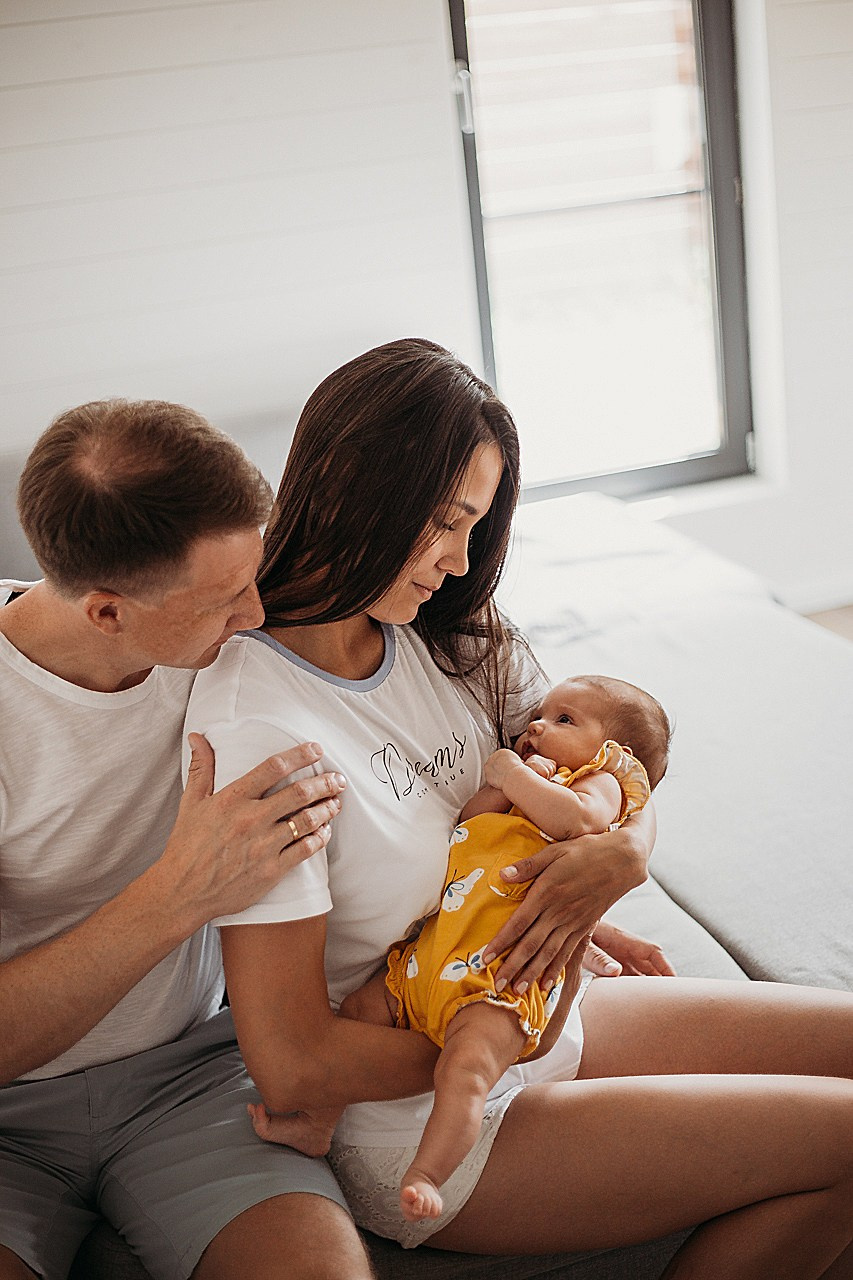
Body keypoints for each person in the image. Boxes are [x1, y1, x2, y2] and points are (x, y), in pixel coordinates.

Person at [186, 339, 853, 1276]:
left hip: (535, 1016)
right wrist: (483, 1050)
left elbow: (614, 762)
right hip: (424, 1116)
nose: (458, 561)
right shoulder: (259, 724)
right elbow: (293, 1062)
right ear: (346, 484)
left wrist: (622, 856)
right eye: (443, 522)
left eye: (477, 526)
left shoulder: (445, 632)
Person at [0, 399, 373, 1280]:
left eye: (256, 574)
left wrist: (579, 857)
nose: (257, 613)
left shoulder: (226, 635)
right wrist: (181, 896)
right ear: (106, 613)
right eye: (222, 601)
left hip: (195, 1078)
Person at [248, 672, 671, 1225]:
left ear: (618, 755)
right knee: (357, 1011)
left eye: (564, 720)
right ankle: (318, 1125)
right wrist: (504, 787)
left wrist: (511, 773)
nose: (537, 724)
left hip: (497, 978)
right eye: (541, 714)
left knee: (466, 1069)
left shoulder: (599, 780)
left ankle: (428, 1172)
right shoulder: (539, 774)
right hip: (429, 956)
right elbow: (472, 822)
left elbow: (580, 822)